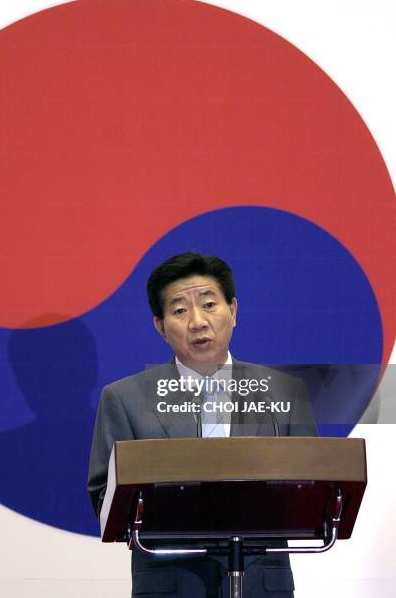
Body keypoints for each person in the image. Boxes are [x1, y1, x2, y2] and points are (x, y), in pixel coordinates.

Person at [88, 251, 317, 597]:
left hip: (261, 586)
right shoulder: (124, 398)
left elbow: (311, 492)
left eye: (209, 305)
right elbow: (106, 500)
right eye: (179, 310)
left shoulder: (284, 391)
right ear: (161, 327)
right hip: (170, 583)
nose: (197, 321)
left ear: (234, 311)